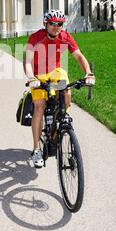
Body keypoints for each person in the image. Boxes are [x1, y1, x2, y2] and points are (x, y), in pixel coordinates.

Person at [23, 9, 95, 168]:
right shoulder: (36, 38)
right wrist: (31, 78)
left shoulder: (65, 37)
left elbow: (79, 56)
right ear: (45, 24)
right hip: (39, 75)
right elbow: (27, 61)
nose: (56, 27)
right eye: (52, 24)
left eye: (60, 24)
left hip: (56, 73)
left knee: (66, 93)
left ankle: (61, 120)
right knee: (40, 106)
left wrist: (88, 73)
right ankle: (36, 149)